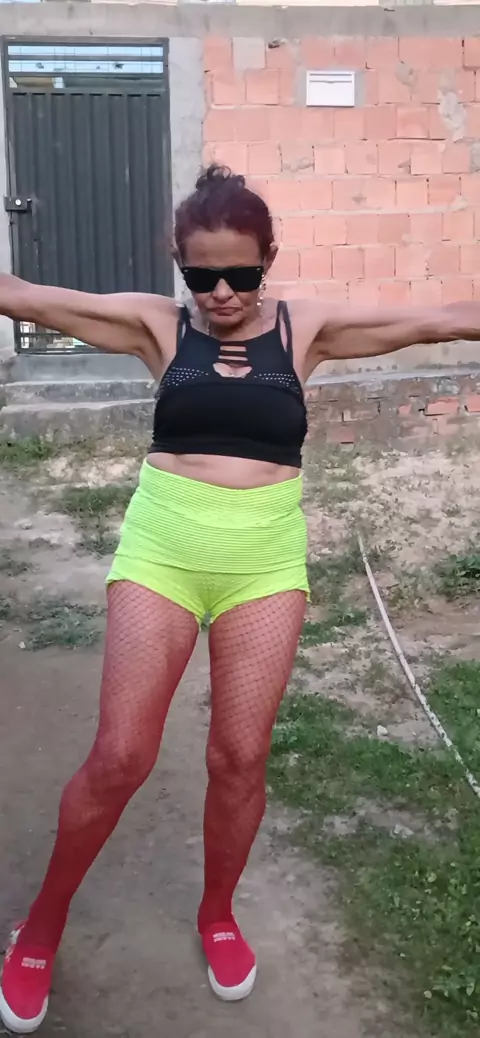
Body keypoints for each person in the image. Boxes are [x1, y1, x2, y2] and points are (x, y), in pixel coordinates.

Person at [0, 163, 479, 1034]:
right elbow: (22, 295)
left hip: (264, 561)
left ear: (270, 259)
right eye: (202, 274)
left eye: (241, 273)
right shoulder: (156, 324)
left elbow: (440, 319)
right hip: (164, 551)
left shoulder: (307, 329)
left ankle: (218, 914)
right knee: (120, 756)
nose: (221, 292)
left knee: (240, 759)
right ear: (179, 264)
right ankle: (39, 928)